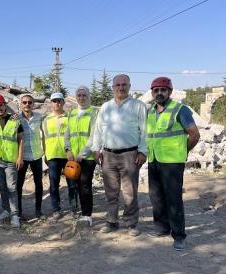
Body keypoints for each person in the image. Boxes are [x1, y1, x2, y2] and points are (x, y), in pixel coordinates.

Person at [146, 77, 200, 250]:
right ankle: (162, 228)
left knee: (173, 199)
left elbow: (194, 134)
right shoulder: (151, 112)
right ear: (152, 93)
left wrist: (183, 152)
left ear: (169, 91)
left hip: (172, 163)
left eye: (163, 90)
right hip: (154, 160)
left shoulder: (180, 110)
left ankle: (179, 235)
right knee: (156, 197)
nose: (159, 93)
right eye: (156, 90)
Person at [91, 74, 147, 236]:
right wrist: (96, 149)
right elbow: (98, 130)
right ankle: (111, 222)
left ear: (130, 86)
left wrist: (143, 151)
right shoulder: (105, 107)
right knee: (111, 191)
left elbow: (145, 131)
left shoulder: (138, 106)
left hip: (130, 154)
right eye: (118, 85)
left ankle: (131, 224)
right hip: (108, 155)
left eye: (124, 84)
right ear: (113, 87)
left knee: (129, 192)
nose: (121, 87)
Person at [64, 86, 98, 227]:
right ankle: (79, 210)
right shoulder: (72, 113)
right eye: (79, 95)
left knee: (85, 184)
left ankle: (87, 215)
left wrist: (82, 154)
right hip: (73, 157)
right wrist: (68, 150)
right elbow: (67, 133)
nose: (81, 98)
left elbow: (93, 135)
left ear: (88, 96)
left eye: (84, 95)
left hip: (87, 157)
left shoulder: (93, 113)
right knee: (76, 184)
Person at [0, 94, 24, 228]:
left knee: (12, 188)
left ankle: (15, 215)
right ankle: (6, 210)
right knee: (2, 186)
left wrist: (20, 157)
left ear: (5, 106)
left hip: (11, 160)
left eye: (1, 105)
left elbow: (21, 139)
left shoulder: (15, 120)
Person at [42, 92, 75, 219]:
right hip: (53, 156)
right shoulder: (46, 120)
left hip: (68, 156)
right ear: (51, 103)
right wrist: (45, 154)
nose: (57, 103)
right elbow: (44, 138)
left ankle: (73, 207)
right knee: (54, 184)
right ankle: (56, 209)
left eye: (59, 100)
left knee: (72, 184)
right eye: (54, 101)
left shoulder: (70, 118)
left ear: (63, 102)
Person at [17, 94, 44, 220]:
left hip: (36, 155)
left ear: (33, 104)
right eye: (24, 102)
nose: (27, 104)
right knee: (19, 185)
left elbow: (45, 133)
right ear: (21, 104)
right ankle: (18, 211)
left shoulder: (39, 117)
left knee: (38, 183)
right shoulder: (16, 118)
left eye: (29, 102)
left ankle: (38, 210)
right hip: (21, 157)